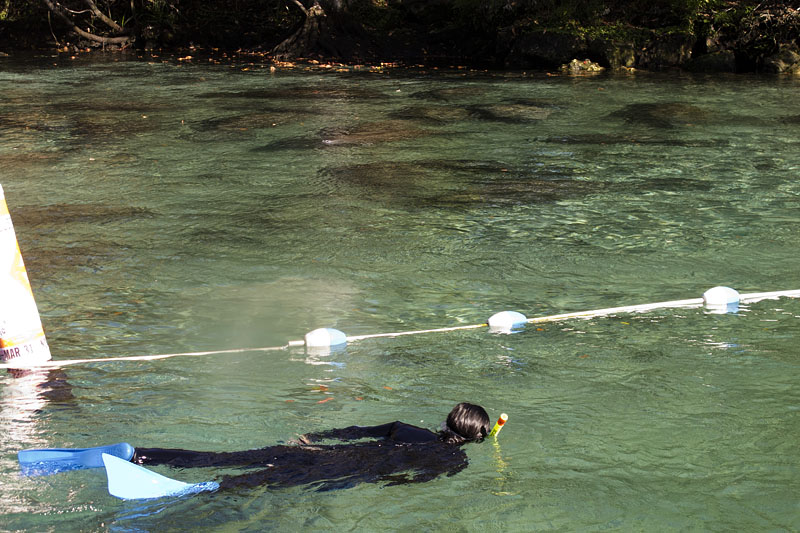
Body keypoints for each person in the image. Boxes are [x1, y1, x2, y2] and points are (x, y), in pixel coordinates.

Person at [132, 402, 490, 491]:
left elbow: (352, 430)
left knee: (221, 458)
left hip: (320, 455)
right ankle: (175, 494)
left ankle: (139, 454)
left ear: (446, 421)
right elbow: (407, 482)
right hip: (344, 471)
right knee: (247, 484)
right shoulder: (454, 463)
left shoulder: (404, 429)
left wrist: (312, 439)